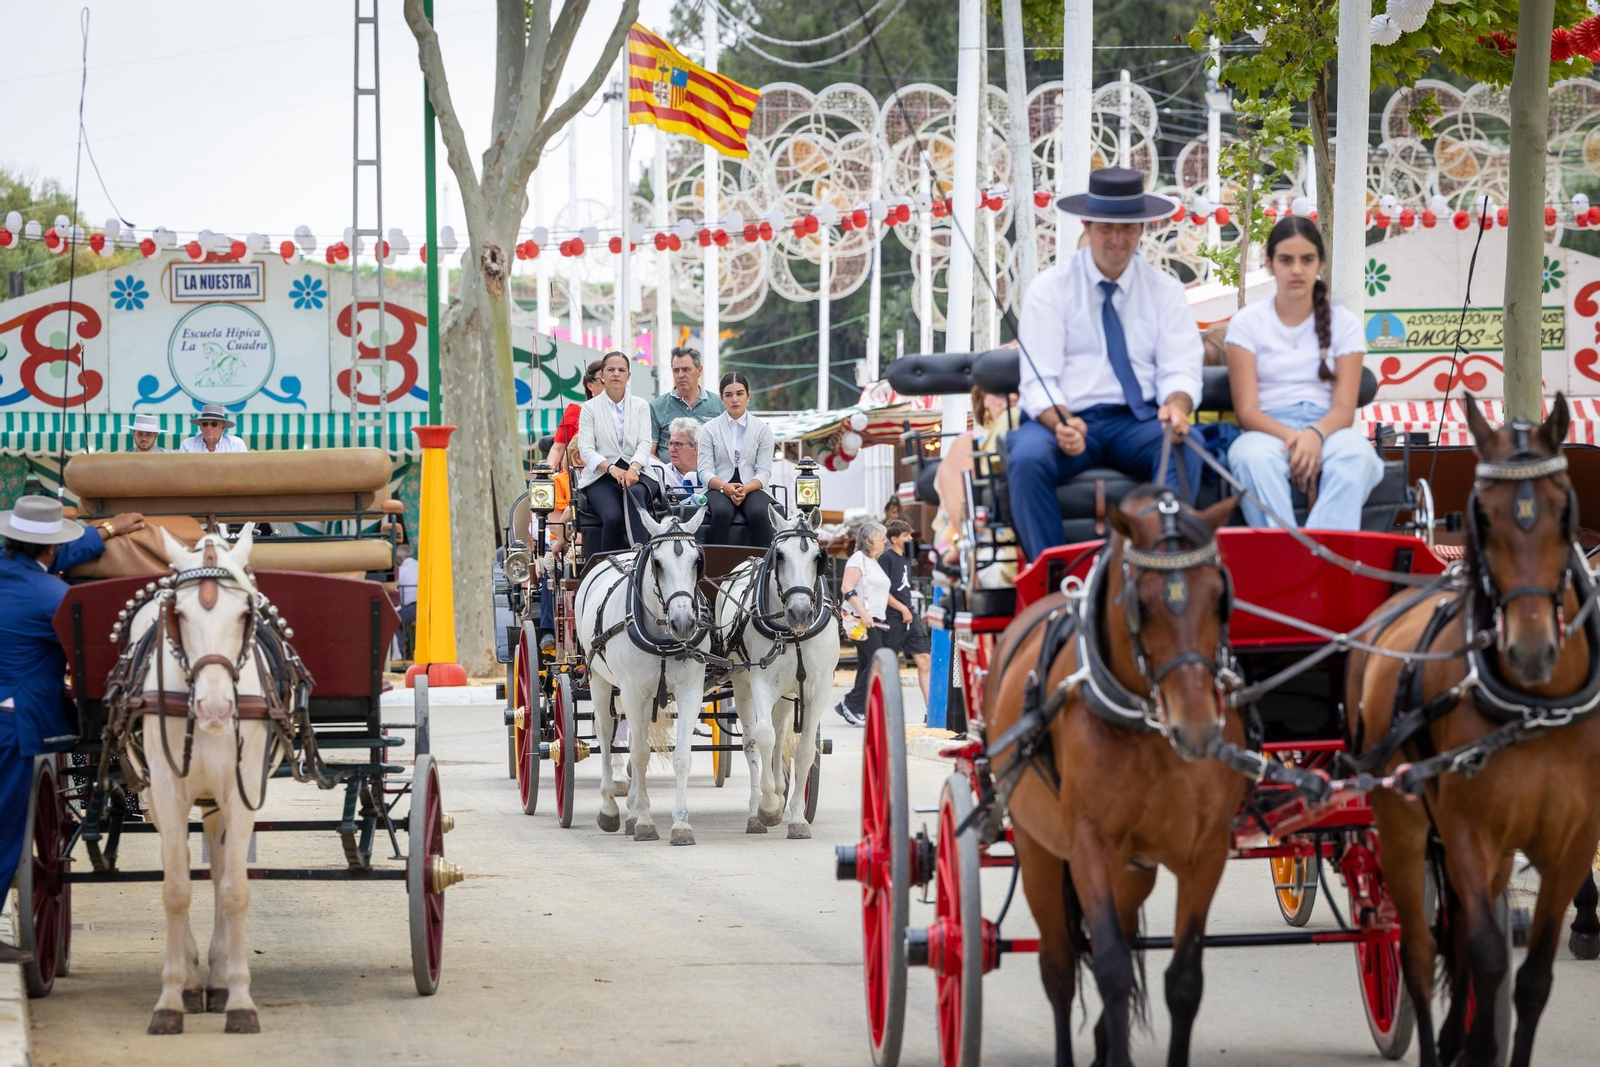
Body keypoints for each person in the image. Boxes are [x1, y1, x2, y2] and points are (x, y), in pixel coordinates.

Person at [1011, 166, 1203, 562]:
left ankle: (1162, 562)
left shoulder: (1165, 291)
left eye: (1128, 229)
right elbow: (1037, 381)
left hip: (1138, 421)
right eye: (1106, 228)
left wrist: (1177, 406)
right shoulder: (1050, 289)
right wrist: (1060, 421)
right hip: (1069, 419)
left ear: (1142, 230)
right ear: (1087, 224)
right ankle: (1055, 575)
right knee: (1026, 458)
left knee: (1186, 446)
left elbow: (1180, 368)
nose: (1118, 239)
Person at [1, 497, 144, 964]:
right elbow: (92, 666)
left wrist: (104, 529)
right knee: (5, 829)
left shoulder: (22, 573)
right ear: (47, 550)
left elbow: (48, 559)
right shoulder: (55, 599)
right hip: (13, 722)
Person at [1225, 215, 1383, 530]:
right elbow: (1247, 411)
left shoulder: (1345, 325)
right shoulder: (1246, 324)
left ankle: (1321, 555)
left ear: (1320, 263)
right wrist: (1295, 438)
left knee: (1358, 456)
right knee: (1249, 458)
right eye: (1286, 260)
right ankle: (1287, 552)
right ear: (1269, 264)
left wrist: (1314, 434)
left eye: (1306, 259)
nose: (1296, 270)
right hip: (1268, 433)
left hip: (1329, 430)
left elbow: (1343, 409)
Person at [574, 351, 654, 553]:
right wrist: (611, 468)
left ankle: (641, 556)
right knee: (612, 517)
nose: (616, 374)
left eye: (621, 370)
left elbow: (645, 442)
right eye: (611, 370)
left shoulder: (641, 405)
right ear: (602, 374)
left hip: (638, 472)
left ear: (628, 375)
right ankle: (606, 567)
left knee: (635, 494)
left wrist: (634, 468)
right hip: (601, 476)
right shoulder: (589, 408)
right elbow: (586, 448)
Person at [697, 372, 777, 547]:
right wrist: (724, 486)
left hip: (753, 486)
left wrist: (747, 488)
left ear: (749, 395)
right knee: (722, 512)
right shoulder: (709, 429)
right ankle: (715, 568)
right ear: (721, 398)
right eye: (729, 395)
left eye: (740, 393)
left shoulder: (762, 429)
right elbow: (704, 471)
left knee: (758, 512)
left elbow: (764, 471)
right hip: (718, 487)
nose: (735, 399)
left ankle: (766, 566)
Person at [835, 521, 892, 727]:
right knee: (878, 659)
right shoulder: (857, 559)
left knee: (867, 662)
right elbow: (846, 588)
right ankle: (851, 704)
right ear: (870, 539)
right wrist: (864, 613)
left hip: (872, 618)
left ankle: (857, 705)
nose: (884, 541)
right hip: (857, 618)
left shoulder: (872, 561)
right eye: (880, 538)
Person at [880, 519, 932, 704]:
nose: (911, 538)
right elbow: (882, 591)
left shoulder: (907, 559)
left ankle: (929, 708)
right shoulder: (886, 559)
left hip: (910, 614)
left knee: (925, 659)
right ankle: (886, 706)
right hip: (893, 616)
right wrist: (902, 609)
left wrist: (908, 610)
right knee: (890, 663)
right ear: (894, 539)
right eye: (906, 535)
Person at [650, 346, 723, 458]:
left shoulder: (718, 404)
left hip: (708, 473)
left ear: (699, 370)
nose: (680, 375)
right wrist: (668, 473)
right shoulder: (656, 407)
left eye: (686, 369)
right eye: (676, 370)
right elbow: (649, 452)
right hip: (668, 473)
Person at [650, 417, 708, 500]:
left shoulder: (709, 473)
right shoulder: (662, 474)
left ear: (696, 448)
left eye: (678, 444)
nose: (671, 449)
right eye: (670, 444)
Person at [179, 404, 249, 453]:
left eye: (214, 424)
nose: (209, 428)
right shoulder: (187, 445)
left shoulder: (236, 444)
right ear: (200, 426)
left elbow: (244, 470)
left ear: (223, 427)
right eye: (205, 424)